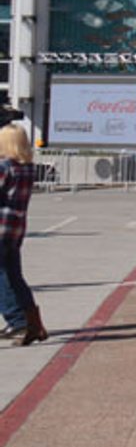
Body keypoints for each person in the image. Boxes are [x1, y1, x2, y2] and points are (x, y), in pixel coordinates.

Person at [0, 125, 46, 346]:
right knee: (14, 276)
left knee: (2, 276)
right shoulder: (27, 168)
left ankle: (17, 321)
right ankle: (33, 323)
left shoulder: (4, 167)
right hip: (15, 229)